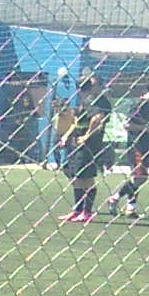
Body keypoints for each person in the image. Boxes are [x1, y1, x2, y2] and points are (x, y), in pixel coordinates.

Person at [58, 74, 112, 222]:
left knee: (86, 178)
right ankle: (77, 210)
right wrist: (67, 136)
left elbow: (97, 119)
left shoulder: (93, 102)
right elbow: (77, 122)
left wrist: (86, 136)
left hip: (89, 146)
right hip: (77, 144)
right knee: (73, 173)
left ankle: (86, 212)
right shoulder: (85, 101)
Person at [113, 81, 149, 218]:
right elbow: (127, 125)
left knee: (140, 177)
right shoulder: (139, 104)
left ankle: (130, 207)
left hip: (147, 144)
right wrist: (146, 128)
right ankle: (116, 197)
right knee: (139, 176)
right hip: (137, 145)